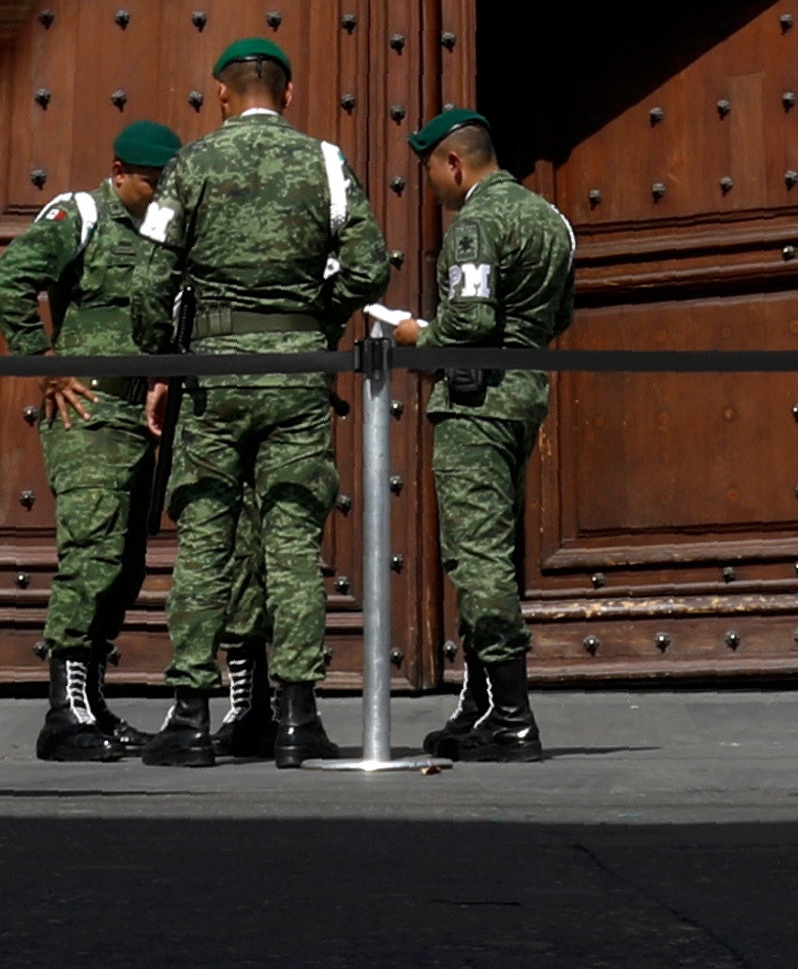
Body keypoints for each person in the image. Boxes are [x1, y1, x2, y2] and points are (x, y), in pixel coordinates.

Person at [129, 37, 391, 768]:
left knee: (205, 539)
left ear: (219, 91)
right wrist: (315, 317)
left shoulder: (188, 165)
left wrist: (164, 357)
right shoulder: (328, 162)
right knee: (292, 543)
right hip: (298, 373)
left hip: (212, 375)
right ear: (288, 91)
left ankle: (188, 714)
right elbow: (369, 265)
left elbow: (151, 277)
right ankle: (297, 717)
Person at [0, 119, 179, 763]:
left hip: (133, 417)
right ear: (120, 172)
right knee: (92, 556)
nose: (160, 195)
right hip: (87, 414)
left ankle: (93, 705)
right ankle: (64, 714)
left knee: (123, 567)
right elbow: (8, 278)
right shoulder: (82, 214)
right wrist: (43, 363)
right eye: (151, 184)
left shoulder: (161, 231)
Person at [392, 107, 577, 764]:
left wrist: (417, 337)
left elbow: (467, 320)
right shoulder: (548, 219)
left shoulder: (477, 221)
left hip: (477, 399)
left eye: (430, 173)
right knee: (490, 546)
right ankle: (480, 702)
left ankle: (512, 715)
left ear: (453, 162)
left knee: (476, 555)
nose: (433, 189)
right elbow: (559, 312)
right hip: (524, 391)